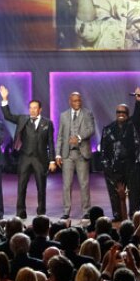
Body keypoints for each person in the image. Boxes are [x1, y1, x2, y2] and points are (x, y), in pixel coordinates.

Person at [0, 85, 55, 220]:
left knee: (41, 188)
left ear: (40, 109)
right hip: (24, 157)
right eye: (30, 108)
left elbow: (50, 143)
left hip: (40, 159)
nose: (32, 110)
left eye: (35, 108)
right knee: (21, 186)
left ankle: (41, 212)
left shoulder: (47, 123)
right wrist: (5, 99)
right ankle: (20, 212)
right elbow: (7, 115)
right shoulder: (23, 119)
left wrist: (52, 160)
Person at [98, 89, 140, 221]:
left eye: (124, 112)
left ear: (128, 114)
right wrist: (106, 166)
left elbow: (139, 117)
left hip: (133, 164)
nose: (121, 114)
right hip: (115, 166)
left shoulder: (133, 125)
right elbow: (103, 150)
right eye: (119, 112)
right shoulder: (108, 129)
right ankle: (117, 214)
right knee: (115, 193)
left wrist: (138, 102)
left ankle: (134, 215)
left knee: (134, 192)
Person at [55, 92, 95, 220]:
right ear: (70, 101)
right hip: (67, 154)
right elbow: (60, 136)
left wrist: (78, 137)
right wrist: (57, 154)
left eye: (79, 100)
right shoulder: (64, 115)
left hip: (81, 153)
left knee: (84, 183)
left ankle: (86, 211)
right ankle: (66, 211)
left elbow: (91, 129)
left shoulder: (87, 113)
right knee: (67, 184)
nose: (77, 102)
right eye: (75, 101)